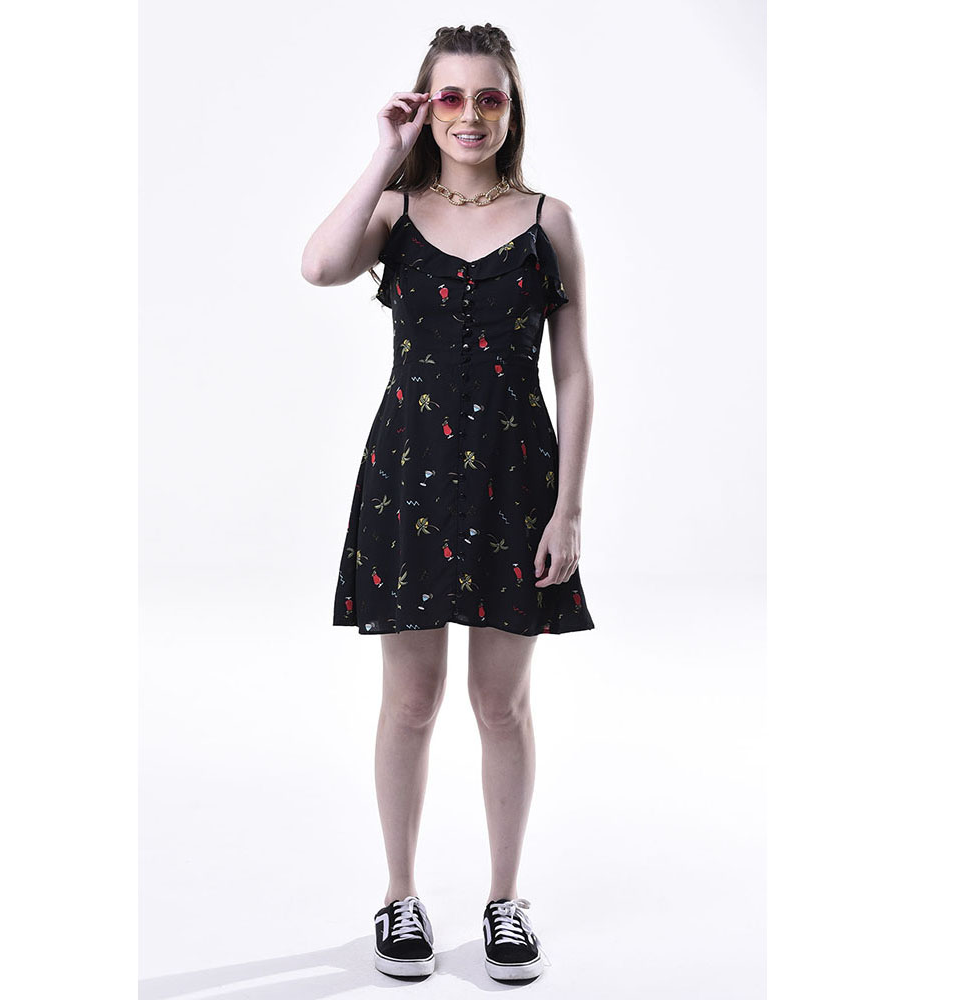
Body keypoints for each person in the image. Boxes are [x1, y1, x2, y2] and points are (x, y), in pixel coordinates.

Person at [302, 23, 595, 982]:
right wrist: (385, 152)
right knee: (412, 700)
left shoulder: (549, 221)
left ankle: (506, 903)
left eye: (491, 97)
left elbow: (575, 372)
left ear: (513, 109)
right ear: (428, 107)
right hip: (408, 476)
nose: (472, 115)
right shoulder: (393, 210)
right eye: (453, 97)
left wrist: (569, 508)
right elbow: (318, 266)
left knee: (500, 705)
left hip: (518, 482)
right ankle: (399, 897)